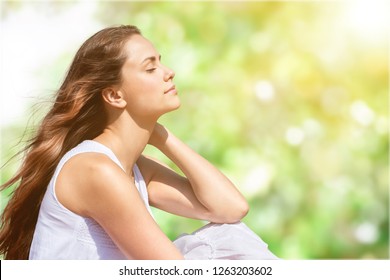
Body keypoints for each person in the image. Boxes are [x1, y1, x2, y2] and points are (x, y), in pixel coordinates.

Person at [0, 25, 278, 260]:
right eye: (150, 68)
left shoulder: (133, 168)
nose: (168, 72)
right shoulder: (95, 170)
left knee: (227, 233)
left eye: (161, 61)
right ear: (114, 95)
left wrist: (162, 137)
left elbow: (230, 209)